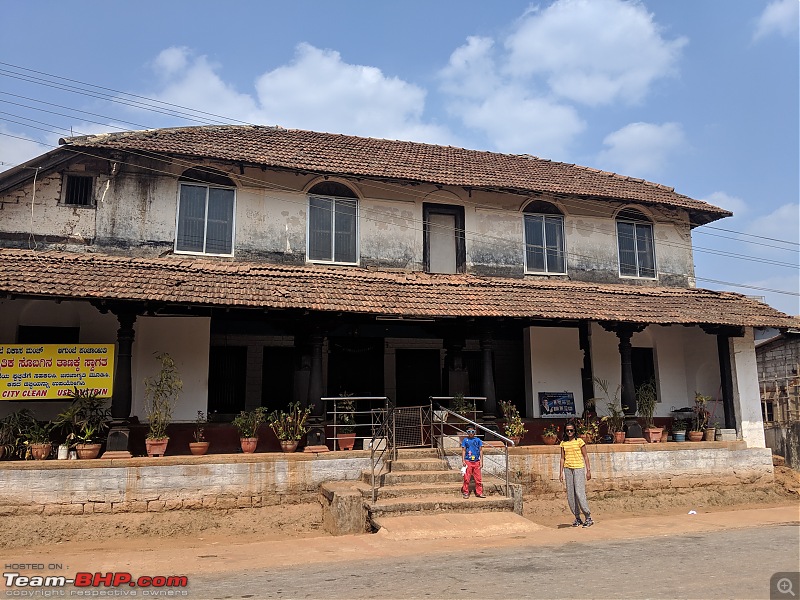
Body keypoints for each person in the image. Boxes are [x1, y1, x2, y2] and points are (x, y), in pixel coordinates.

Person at [559, 420, 594, 527]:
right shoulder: (563, 443)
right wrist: (560, 472)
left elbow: (585, 456)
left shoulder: (579, 441)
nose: (570, 432)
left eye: (571, 430)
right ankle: (577, 517)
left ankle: (588, 517)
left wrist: (588, 470)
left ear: (575, 431)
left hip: (578, 468)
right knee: (571, 494)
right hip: (568, 469)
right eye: (567, 430)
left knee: (579, 492)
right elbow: (562, 458)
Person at [461, 427, 485, 498]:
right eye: (469, 431)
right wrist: (463, 460)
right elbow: (463, 450)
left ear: (474, 432)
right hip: (468, 461)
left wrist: (481, 461)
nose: (471, 433)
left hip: (476, 461)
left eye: (472, 431)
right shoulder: (465, 440)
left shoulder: (478, 440)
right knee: (466, 478)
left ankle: (479, 492)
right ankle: (465, 492)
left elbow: (481, 450)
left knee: (478, 478)